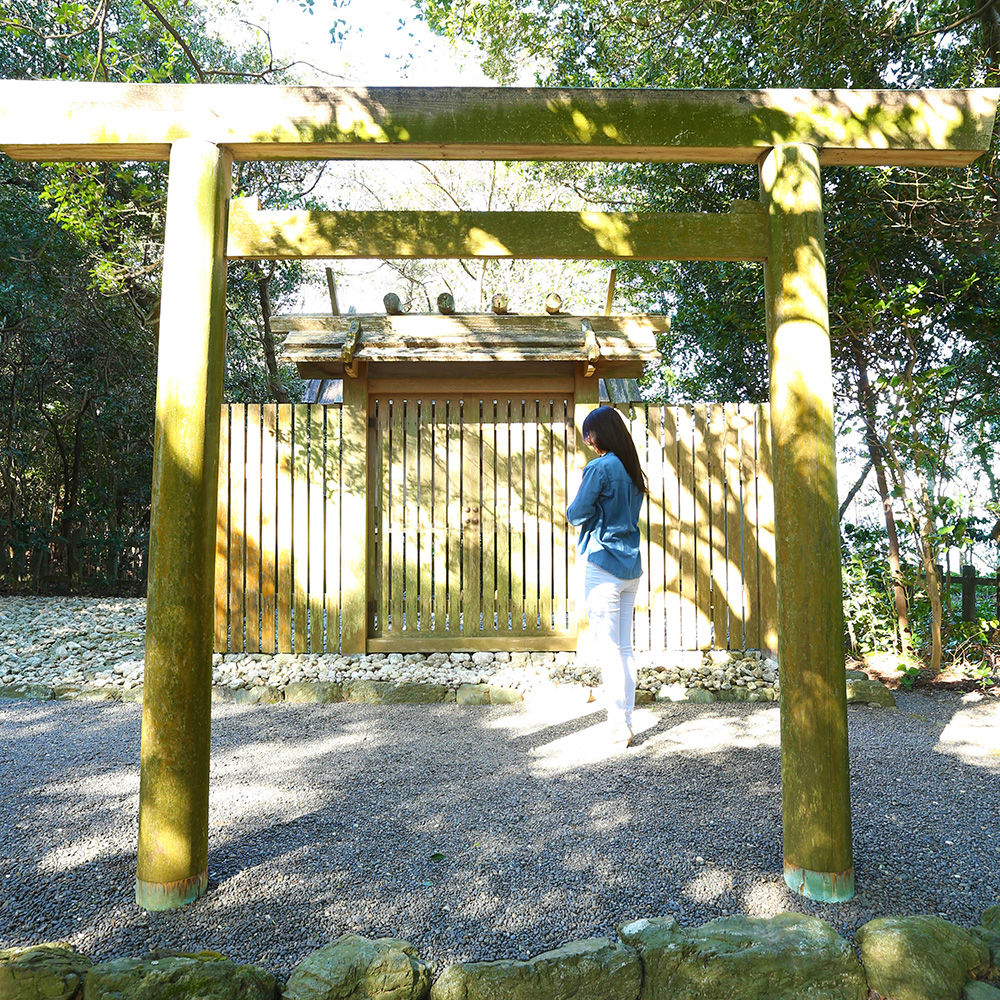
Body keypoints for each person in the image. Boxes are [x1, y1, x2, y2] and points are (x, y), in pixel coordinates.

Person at [566, 405, 646, 746]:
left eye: (589, 433)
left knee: (609, 649)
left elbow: (576, 512)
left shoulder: (599, 468)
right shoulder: (632, 471)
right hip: (631, 567)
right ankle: (624, 719)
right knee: (625, 648)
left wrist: (581, 507)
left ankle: (618, 724)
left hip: (603, 565)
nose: (587, 440)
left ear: (599, 435)